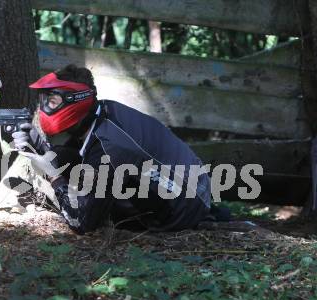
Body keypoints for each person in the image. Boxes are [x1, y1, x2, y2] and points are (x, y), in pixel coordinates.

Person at [12, 65, 212, 234]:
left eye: (52, 101)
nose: (44, 108)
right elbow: (75, 157)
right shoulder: (102, 114)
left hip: (184, 207)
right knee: (66, 159)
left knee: (89, 204)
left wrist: (54, 177)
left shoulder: (109, 148)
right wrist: (39, 145)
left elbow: (82, 223)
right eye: (44, 101)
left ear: (76, 101)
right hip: (192, 187)